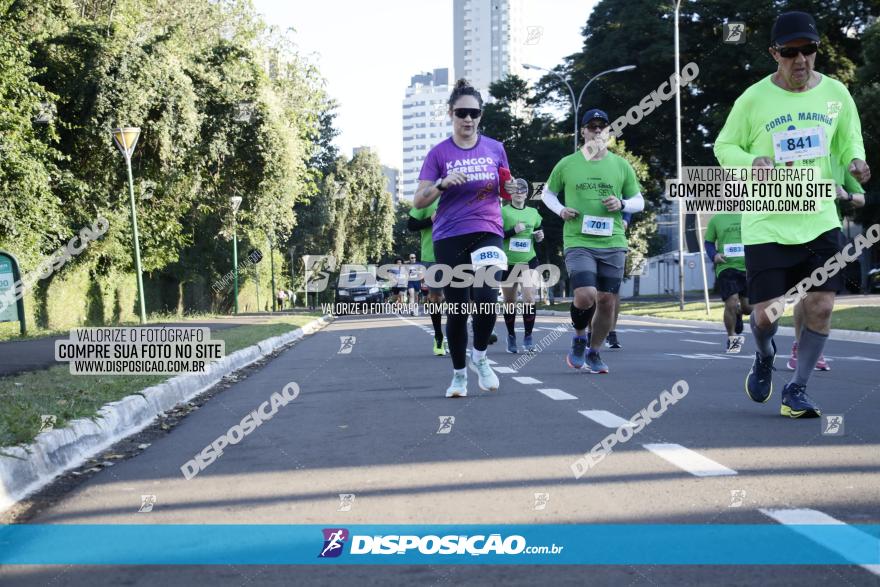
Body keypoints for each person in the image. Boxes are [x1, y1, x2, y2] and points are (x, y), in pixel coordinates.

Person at [714, 10, 869, 418]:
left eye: (809, 50)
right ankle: (764, 355)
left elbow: (849, 139)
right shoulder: (753, 98)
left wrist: (855, 161)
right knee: (766, 316)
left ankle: (796, 388)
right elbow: (723, 146)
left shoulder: (836, 93)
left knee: (820, 305)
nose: (800, 60)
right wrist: (751, 162)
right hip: (766, 220)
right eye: (790, 52)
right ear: (774, 54)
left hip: (818, 216)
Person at [413, 78, 518, 398]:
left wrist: (510, 190)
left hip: (488, 231)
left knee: (486, 299)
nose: (468, 119)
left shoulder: (495, 148)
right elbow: (419, 201)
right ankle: (459, 375)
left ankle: (481, 357)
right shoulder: (438, 153)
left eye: (474, 113)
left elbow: (505, 187)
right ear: (451, 114)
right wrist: (442, 184)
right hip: (449, 236)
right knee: (458, 308)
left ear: (481, 115)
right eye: (462, 113)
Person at [541, 108, 645, 374]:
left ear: (608, 131)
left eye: (603, 127)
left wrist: (621, 203)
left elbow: (638, 201)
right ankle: (579, 336)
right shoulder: (567, 163)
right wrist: (561, 210)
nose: (598, 131)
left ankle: (595, 351)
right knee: (586, 295)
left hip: (612, 241)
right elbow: (547, 194)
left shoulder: (621, 165)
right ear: (583, 132)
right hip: (578, 239)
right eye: (592, 127)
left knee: (607, 300)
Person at [788, 159, 866, 370]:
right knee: (805, 292)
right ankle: (799, 346)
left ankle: (813, 348)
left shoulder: (839, 160)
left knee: (823, 298)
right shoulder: (796, 155)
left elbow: (861, 199)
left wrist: (845, 195)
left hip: (829, 234)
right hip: (796, 232)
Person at [500, 183, 544, 353]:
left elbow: (539, 230)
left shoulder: (533, 213)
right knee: (510, 301)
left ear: (527, 194)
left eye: (522, 190)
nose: (519, 192)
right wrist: (513, 231)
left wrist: (540, 236)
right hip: (508, 263)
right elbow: (495, 234)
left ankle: (528, 336)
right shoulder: (503, 212)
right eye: (515, 190)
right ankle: (511, 336)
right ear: (510, 193)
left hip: (529, 261)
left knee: (529, 297)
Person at [704, 213, 753, 353]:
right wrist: (714, 255)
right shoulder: (717, 219)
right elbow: (708, 242)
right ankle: (732, 338)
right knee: (731, 301)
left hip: (749, 267)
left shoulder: (750, 216)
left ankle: (739, 312)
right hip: (726, 267)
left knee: (748, 309)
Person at [407, 200, 448, 356]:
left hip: (457, 255)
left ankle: (453, 333)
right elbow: (411, 225)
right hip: (432, 256)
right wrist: (431, 219)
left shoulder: (461, 194)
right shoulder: (428, 197)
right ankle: (438, 335)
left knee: (456, 298)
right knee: (436, 297)